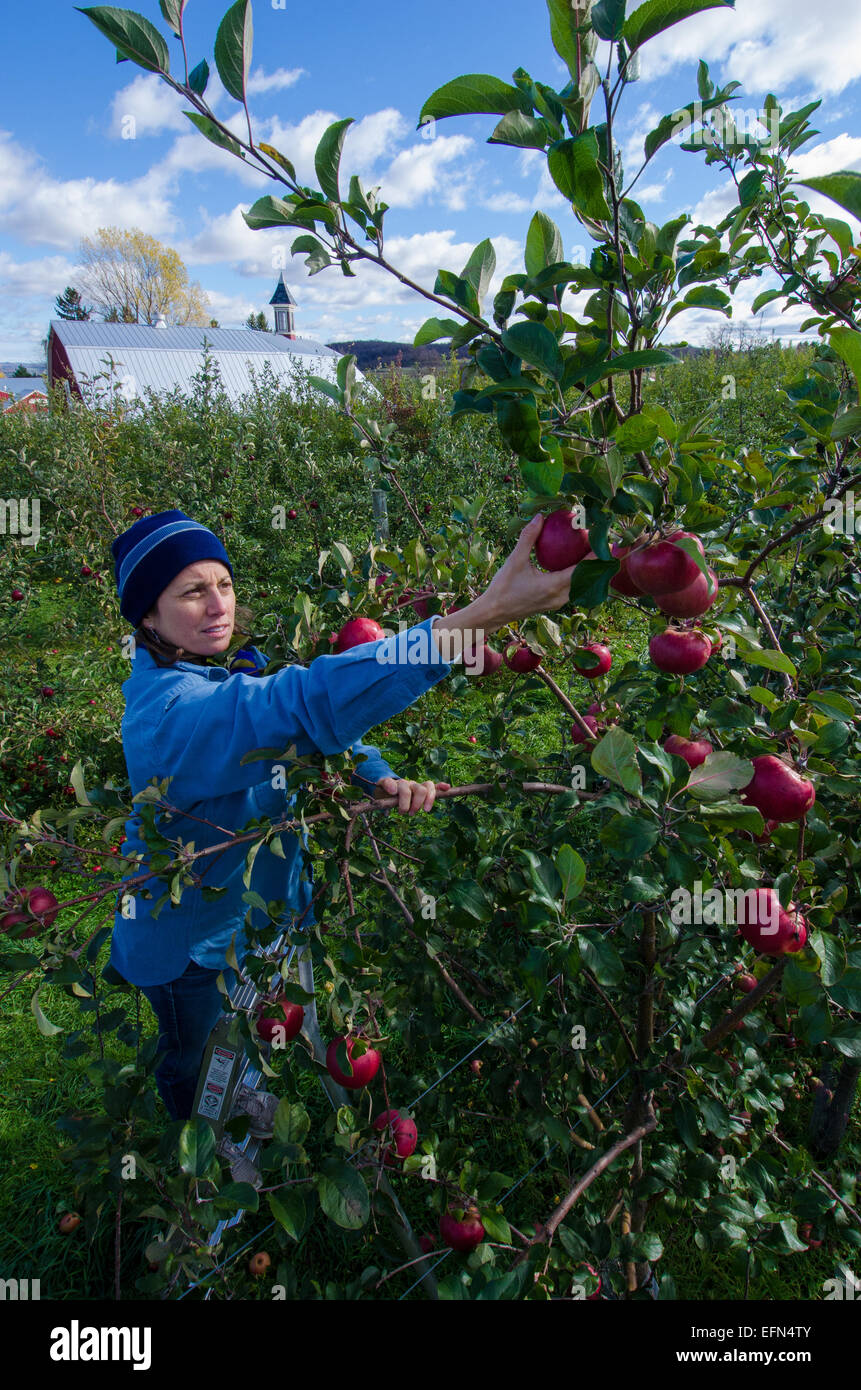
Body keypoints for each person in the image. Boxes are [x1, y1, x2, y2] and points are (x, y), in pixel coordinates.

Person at [107, 507, 574, 1141]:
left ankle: (240, 1098)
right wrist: (474, 620)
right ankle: (200, 1164)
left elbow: (306, 742)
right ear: (147, 616)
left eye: (223, 583)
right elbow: (294, 708)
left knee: (242, 1037)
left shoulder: (219, 673)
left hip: (256, 919)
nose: (218, 605)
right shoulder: (170, 714)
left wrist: (375, 776)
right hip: (188, 948)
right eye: (192, 591)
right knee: (194, 1056)